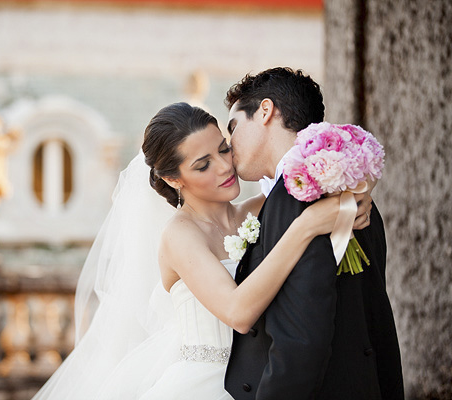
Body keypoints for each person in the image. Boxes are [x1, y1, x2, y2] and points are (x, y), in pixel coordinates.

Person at [32, 101, 373, 399]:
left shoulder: (260, 210)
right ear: (173, 179)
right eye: (202, 164)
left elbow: (325, 199)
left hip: (267, 380)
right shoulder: (179, 235)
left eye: (223, 149)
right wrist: (306, 227)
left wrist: (356, 194)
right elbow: (238, 312)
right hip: (204, 385)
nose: (225, 166)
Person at [223, 67, 404, 399]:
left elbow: (300, 338)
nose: (229, 145)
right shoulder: (356, 193)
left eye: (233, 127)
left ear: (265, 111)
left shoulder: (294, 197)